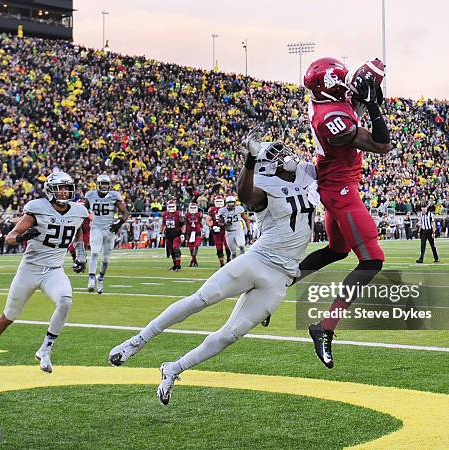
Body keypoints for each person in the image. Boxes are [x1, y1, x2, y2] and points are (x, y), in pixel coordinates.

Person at [108, 129, 317, 405]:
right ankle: (136, 342)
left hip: (281, 278)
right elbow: (244, 195)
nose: (285, 156)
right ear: (264, 164)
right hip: (256, 261)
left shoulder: (307, 175)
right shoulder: (262, 187)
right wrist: (249, 160)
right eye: (276, 154)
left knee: (230, 334)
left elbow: (335, 158)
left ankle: (173, 369)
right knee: (201, 299)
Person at [293, 57, 392, 368]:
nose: (346, 81)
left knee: (336, 251)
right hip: (340, 189)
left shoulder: (327, 102)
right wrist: (373, 107)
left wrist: (368, 86)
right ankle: (325, 327)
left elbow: (354, 96)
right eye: (340, 78)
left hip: (337, 182)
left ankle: (276, 285)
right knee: (372, 260)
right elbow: (381, 144)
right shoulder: (330, 119)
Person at [0, 172, 88, 373]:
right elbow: (9, 238)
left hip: (54, 270)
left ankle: (45, 349)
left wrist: (80, 253)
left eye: (67, 188)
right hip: (30, 270)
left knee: (66, 300)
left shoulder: (78, 211)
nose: (64, 192)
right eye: (60, 187)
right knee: (9, 315)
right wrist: (24, 236)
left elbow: (77, 230)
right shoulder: (37, 208)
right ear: (50, 190)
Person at [84, 174, 129, 294]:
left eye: (106, 184)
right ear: (98, 185)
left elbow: (125, 213)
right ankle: (91, 277)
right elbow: (83, 209)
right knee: (94, 252)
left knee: (105, 259)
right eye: (102, 184)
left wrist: (118, 224)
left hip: (109, 229)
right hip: (96, 227)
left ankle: (101, 278)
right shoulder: (90, 195)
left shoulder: (114, 196)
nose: (104, 186)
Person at [206, 196, 231, 267]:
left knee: (227, 245)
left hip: (226, 229)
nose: (219, 203)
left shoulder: (227, 208)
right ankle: (222, 263)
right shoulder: (212, 209)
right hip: (217, 230)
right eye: (218, 202)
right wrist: (212, 226)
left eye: (220, 201)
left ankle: (229, 259)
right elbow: (208, 220)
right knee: (219, 246)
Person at [161, 200, 185, 271]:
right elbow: (163, 224)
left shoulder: (178, 214)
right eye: (170, 206)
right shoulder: (165, 214)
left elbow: (183, 224)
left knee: (176, 248)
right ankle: (175, 265)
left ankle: (178, 266)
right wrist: (160, 232)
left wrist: (183, 233)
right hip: (168, 234)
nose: (171, 208)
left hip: (176, 234)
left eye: (172, 206)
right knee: (171, 250)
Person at [185, 202, 203, 267]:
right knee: (191, 248)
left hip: (197, 232)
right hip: (189, 233)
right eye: (191, 208)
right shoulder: (186, 215)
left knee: (196, 246)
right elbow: (185, 224)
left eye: (194, 208)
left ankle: (192, 261)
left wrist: (202, 230)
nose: (192, 209)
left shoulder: (199, 214)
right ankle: (194, 261)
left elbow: (201, 222)